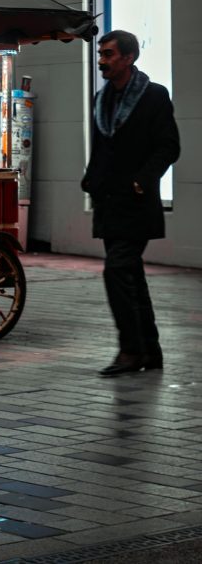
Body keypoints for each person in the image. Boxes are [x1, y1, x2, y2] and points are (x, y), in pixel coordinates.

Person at [81, 30, 180, 377]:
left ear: (129, 57)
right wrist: (90, 178)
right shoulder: (101, 98)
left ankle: (130, 351)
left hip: (136, 201)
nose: (102, 61)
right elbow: (101, 148)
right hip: (109, 201)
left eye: (108, 55)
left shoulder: (153, 96)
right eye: (101, 55)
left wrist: (143, 180)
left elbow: (169, 147)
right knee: (131, 276)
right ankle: (150, 352)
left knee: (117, 270)